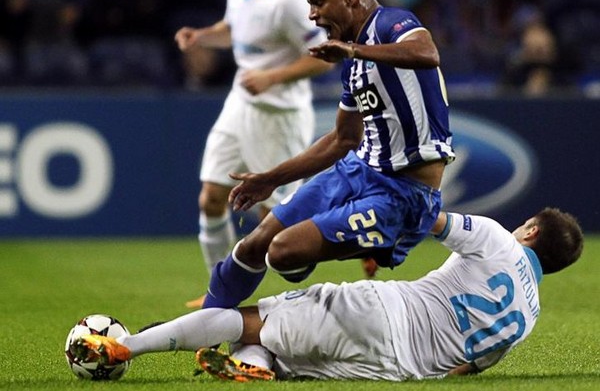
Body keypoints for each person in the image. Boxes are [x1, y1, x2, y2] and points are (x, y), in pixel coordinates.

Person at [196, 0, 455, 310]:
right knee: (254, 244)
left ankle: (380, 239)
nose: (312, 15)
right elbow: (341, 139)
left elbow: (427, 52)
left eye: (318, 3)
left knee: (283, 252)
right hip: (357, 170)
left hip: (404, 193)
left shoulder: (390, 23)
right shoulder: (353, 66)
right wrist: (270, 179)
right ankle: (203, 322)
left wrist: (352, 49)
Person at [70, 207, 584, 382]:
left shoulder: (496, 239)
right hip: (395, 370)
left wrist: (363, 230)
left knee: (247, 319)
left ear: (532, 231)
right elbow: (463, 369)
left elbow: (425, 216)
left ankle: (123, 346)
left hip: (384, 311)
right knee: (277, 351)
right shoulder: (529, 317)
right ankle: (255, 367)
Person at [173, 0, 333, 307]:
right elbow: (234, 29)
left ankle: (335, 254)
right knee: (211, 198)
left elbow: (325, 55)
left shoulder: (288, 0)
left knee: (272, 221)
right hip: (240, 104)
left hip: (280, 116)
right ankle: (218, 291)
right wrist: (201, 36)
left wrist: (271, 77)